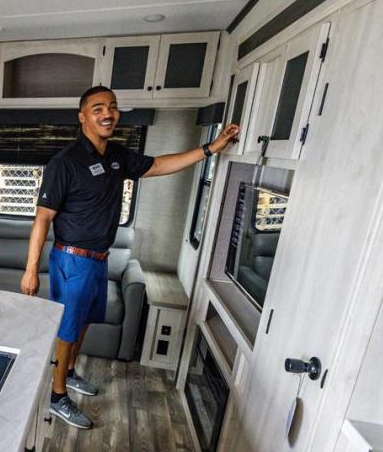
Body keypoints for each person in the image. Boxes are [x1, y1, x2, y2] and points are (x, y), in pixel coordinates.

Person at [21, 85, 239, 428]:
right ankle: (57, 395)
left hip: (98, 260)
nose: (107, 113)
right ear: (82, 117)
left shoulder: (117, 156)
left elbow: (160, 165)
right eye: (97, 108)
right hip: (71, 261)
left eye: (112, 106)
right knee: (67, 329)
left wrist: (210, 149)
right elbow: (43, 219)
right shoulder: (64, 163)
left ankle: (70, 372)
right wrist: (31, 269)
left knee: (83, 323)